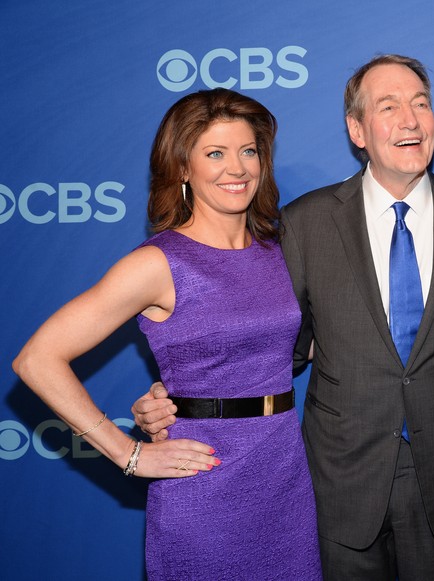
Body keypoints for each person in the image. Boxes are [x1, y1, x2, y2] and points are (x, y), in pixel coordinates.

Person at [133, 55, 434, 579]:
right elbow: (274, 345)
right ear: (357, 130)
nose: (411, 119)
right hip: (338, 482)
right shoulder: (303, 225)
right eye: (389, 106)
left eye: (420, 104)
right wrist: (178, 398)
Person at [13, 88, 321, 580]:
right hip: (203, 481)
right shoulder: (158, 263)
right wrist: (128, 454)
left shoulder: (279, 250)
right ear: (181, 167)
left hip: (284, 475)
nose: (236, 168)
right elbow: (37, 359)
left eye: (248, 151)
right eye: (214, 153)